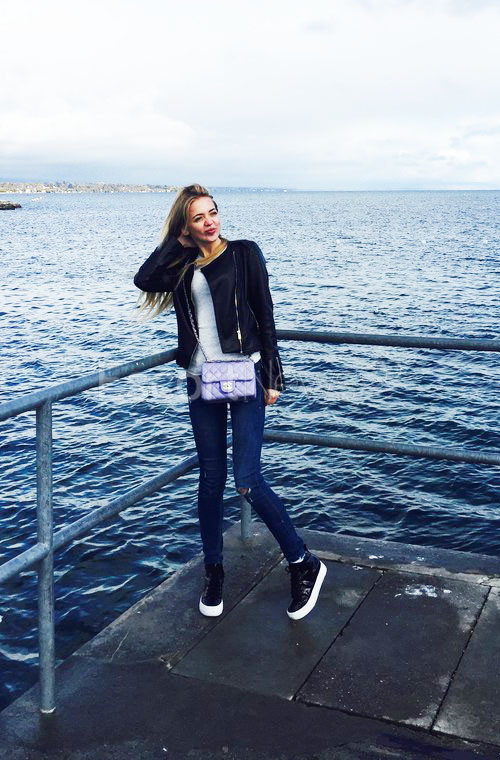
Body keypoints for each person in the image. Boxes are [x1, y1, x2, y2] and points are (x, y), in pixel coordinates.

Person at [133, 184, 326, 620]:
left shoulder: (243, 253)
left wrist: (273, 374)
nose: (210, 222)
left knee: (246, 479)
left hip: (244, 371)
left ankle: (303, 562)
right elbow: (144, 279)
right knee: (210, 479)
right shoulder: (181, 264)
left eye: (213, 212)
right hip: (201, 378)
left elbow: (265, 313)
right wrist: (177, 243)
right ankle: (214, 570)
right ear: (186, 225)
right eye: (198, 217)